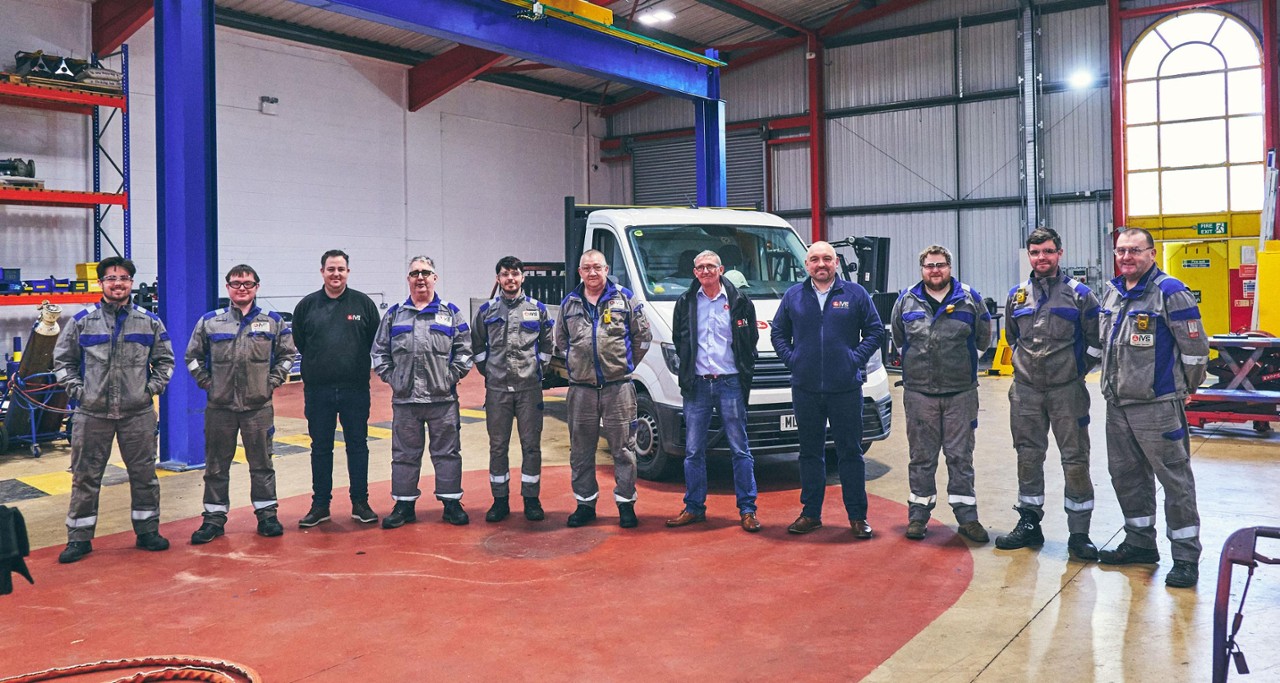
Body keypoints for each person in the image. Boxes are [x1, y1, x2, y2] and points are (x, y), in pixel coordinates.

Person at [1097, 227, 1209, 588]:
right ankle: (1140, 544)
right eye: (1120, 251)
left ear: (1152, 253)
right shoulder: (1113, 292)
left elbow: (1194, 349)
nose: (1126, 257)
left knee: (1174, 481)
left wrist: (1182, 390)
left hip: (1157, 406)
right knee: (1127, 478)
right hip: (1118, 406)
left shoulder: (1170, 292)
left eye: (1134, 250)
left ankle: (1186, 557)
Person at [53, 256, 174, 563]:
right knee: (85, 477)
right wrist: (79, 392)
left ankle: (147, 531)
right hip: (91, 414)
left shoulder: (149, 321)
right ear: (101, 283)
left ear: (131, 283)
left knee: (144, 474)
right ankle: (79, 537)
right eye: (111, 278)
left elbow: (165, 361)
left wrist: (149, 390)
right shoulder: (82, 320)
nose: (118, 283)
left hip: (138, 413)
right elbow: (62, 361)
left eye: (123, 278)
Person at [995, 229, 1102, 560]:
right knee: (1027, 455)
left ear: (1060, 253)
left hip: (1066, 391)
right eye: (1035, 252)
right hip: (1025, 392)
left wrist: (1074, 370)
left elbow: (1096, 341)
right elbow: (1013, 339)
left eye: (1048, 251)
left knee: (1075, 458)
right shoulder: (1017, 296)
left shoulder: (1080, 295)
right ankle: (1029, 523)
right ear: (1028, 255)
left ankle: (1079, 534)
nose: (1042, 257)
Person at [771, 241, 883, 537]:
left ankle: (857, 517)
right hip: (805, 388)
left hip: (845, 388)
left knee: (850, 453)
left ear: (836, 263)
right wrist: (793, 360)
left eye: (827, 259)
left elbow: (875, 331)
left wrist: (854, 359)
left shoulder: (855, 294)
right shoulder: (794, 295)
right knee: (809, 453)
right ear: (806, 265)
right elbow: (778, 333)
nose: (821, 264)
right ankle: (810, 514)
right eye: (815, 259)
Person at [186, 265, 297, 544]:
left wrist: (271, 382)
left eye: (248, 283)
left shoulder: (273, 322)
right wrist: (209, 384)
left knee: (261, 463)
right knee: (216, 465)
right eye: (236, 283)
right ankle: (213, 519)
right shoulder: (211, 322)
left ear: (257, 287)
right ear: (228, 288)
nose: (242, 288)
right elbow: (192, 357)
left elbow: (287, 355)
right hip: (220, 408)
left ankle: (267, 515)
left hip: (258, 408)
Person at [891, 245, 992, 543]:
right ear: (922, 269)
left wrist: (958, 366)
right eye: (929, 265)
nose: (935, 270)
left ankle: (967, 518)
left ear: (950, 267)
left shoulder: (970, 299)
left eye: (941, 265)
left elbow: (983, 338)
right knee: (921, 456)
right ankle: (919, 516)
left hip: (961, 394)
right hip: (919, 393)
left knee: (960, 456)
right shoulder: (906, 300)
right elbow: (899, 339)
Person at [372, 256, 474, 528]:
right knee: (404, 454)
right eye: (415, 273)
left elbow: (465, 351)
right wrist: (394, 379)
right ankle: (404, 506)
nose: (420, 278)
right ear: (408, 279)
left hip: (442, 400)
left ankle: (451, 504)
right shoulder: (394, 315)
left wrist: (449, 377)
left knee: (447, 452)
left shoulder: (450, 313)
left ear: (434, 278)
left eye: (425, 273)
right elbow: (379, 353)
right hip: (406, 400)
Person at [666, 250, 761, 532]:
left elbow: (750, 339)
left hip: (730, 382)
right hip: (697, 385)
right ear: (694, 273)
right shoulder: (685, 302)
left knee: (740, 449)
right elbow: (679, 338)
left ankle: (747, 509)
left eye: (711, 266)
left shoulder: (739, 301)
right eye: (700, 267)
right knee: (694, 450)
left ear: (721, 269)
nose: (705, 271)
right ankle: (694, 507)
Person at [556, 249, 652, 528]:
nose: (592, 272)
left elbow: (642, 337)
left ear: (607, 269)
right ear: (580, 272)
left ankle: (625, 504)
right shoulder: (570, 303)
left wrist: (625, 364)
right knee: (581, 450)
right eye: (587, 268)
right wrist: (579, 364)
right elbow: (561, 341)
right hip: (581, 389)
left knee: (623, 449)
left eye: (597, 267)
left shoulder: (624, 299)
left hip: (617, 388)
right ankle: (585, 504)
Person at [292, 250, 381, 528]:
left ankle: (360, 502)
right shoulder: (307, 306)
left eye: (341, 269)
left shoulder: (363, 305)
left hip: (355, 390)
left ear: (348, 272)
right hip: (318, 392)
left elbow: (374, 342)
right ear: (322, 272)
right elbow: (300, 342)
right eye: (331, 269)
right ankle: (320, 505)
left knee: (358, 446)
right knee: (321, 448)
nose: (336, 274)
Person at [472, 256, 554, 523]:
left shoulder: (537, 309)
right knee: (498, 446)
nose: (510, 279)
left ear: (522, 277)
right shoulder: (486, 311)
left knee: (531, 446)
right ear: (498, 279)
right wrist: (491, 372)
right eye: (505, 274)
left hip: (529, 390)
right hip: (497, 391)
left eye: (515, 274)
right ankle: (500, 501)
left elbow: (547, 344)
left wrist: (536, 370)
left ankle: (531, 500)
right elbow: (477, 347)